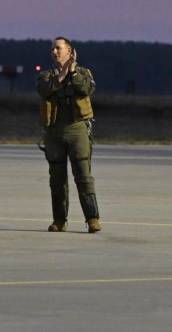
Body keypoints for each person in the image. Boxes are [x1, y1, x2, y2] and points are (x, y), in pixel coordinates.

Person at [37, 37, 101, 233]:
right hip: (54, 131)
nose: (54, 52)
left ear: (69, 51)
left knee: (83, 175)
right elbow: (44, 91)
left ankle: (92, 219)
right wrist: (62, 75)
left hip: (77, 129)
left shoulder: (82, 73)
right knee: (57, 178)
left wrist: (72, 72)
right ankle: (59, 220)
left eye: (58, 48)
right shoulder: (46, 76)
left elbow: (87, 88)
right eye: (52, 49)